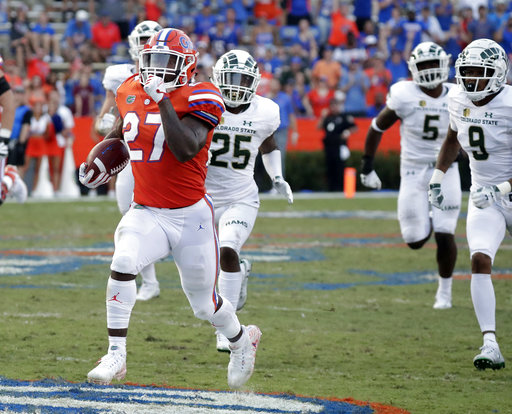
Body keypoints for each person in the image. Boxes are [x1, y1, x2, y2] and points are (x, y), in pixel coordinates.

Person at [79, 28, 261, 389]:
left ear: (187, 66)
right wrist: (98, 163)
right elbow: (120, 133)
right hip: (146, 209)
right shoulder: (130, 88)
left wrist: (163, 101)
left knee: (205, 306)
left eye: (167, 63)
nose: (157, 70)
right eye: (152, 61)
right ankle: (116, 354)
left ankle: (242, 340)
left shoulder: (204, 94)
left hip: (190, 215)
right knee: (123, 261)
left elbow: (185, 148)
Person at [428, 38, 511, 370]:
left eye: (479, 72)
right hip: (483, 196)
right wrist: (437, 175)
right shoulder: (457, 97)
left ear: (498, 73)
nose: (471, 79)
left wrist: (501, 188)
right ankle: (489, 343)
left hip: (503, 190)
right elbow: (452, 138)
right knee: (479, 260)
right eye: (467, 71)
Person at [360, 42, 461, 310]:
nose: (428, 70)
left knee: (445, 232)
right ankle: (426, 217)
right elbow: (375, 127)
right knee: (415, 240)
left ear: (445, 65)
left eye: (433, 64)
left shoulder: (458, 94)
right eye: (423, 65)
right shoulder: (404, 94)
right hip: (413, 170)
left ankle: (445, 293)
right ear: (413, 69)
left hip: (446, 169)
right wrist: (367, 166)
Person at [207, 49, 293, 351]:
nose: (236, 85)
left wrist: (276, 176)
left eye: (243, 79)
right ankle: (239, 273)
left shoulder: (265, 111)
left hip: (240, 197)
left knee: (227, 248)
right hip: (199, 198)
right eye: (231, 78)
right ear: (218, 77)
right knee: (206, 267)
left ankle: (224, 330)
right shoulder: (203, 101)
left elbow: (268, 143)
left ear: (254, 81)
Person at [95, 20, 163, 301]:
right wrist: (106, 124)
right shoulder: (119, 75)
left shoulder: (173, 75)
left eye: (152, 38)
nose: (147, 43)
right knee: (130, 215)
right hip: (133, 159)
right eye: (143, 38)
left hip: (162, 158)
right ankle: (150, 282)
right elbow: (102, 121)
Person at [320, 91, 357, 192]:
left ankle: (340, 188)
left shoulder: (344, 116)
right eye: (332, 106)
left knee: (339, 168)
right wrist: (322, 117)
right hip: (329, 146)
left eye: (335, 105)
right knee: (329, 168)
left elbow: (354, 127)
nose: (334, 108)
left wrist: (347, 132)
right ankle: (331, 188)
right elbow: (319, 127)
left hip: (340, 146)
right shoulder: (328, 117)